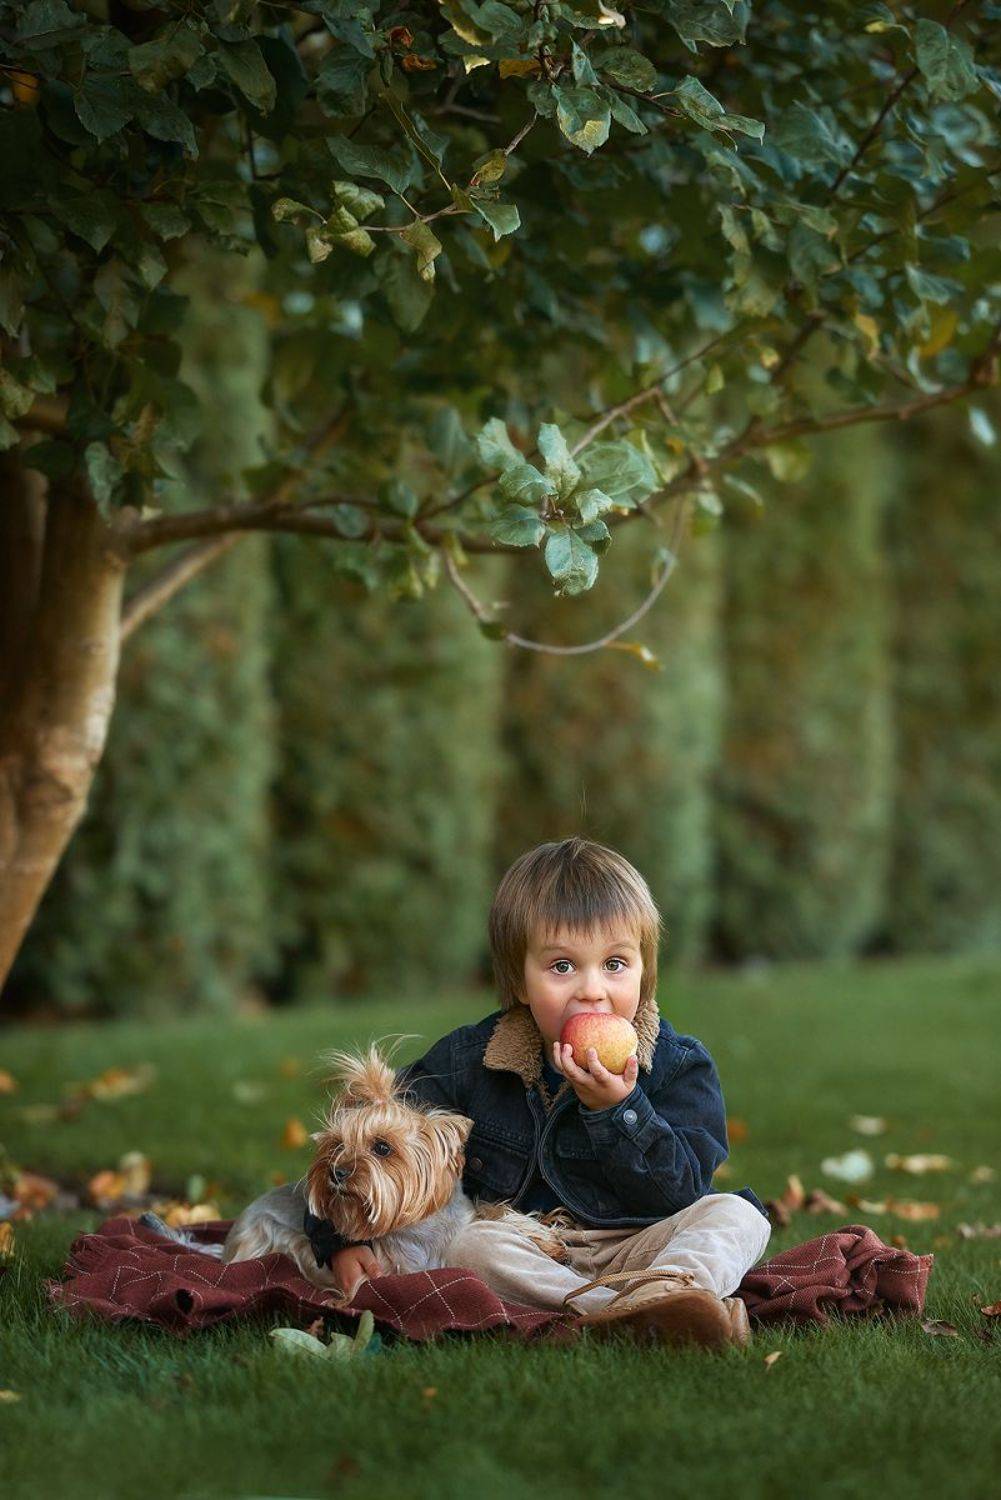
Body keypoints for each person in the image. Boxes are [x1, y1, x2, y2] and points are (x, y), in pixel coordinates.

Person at [328, 836, 771, 1346]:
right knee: (471, 1247)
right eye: (562, 966)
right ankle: (632, 1316)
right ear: (519, 981)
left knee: (737, 1215)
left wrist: (619, 1111)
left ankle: (664, 1294)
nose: (592, 990)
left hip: (645, 1248)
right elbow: (361, 1141)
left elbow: (682, 1194)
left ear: (645, 972)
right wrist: (337, 1239)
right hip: (529, 1251)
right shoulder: (469, 1061)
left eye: (615, 964)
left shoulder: (679, 1067)